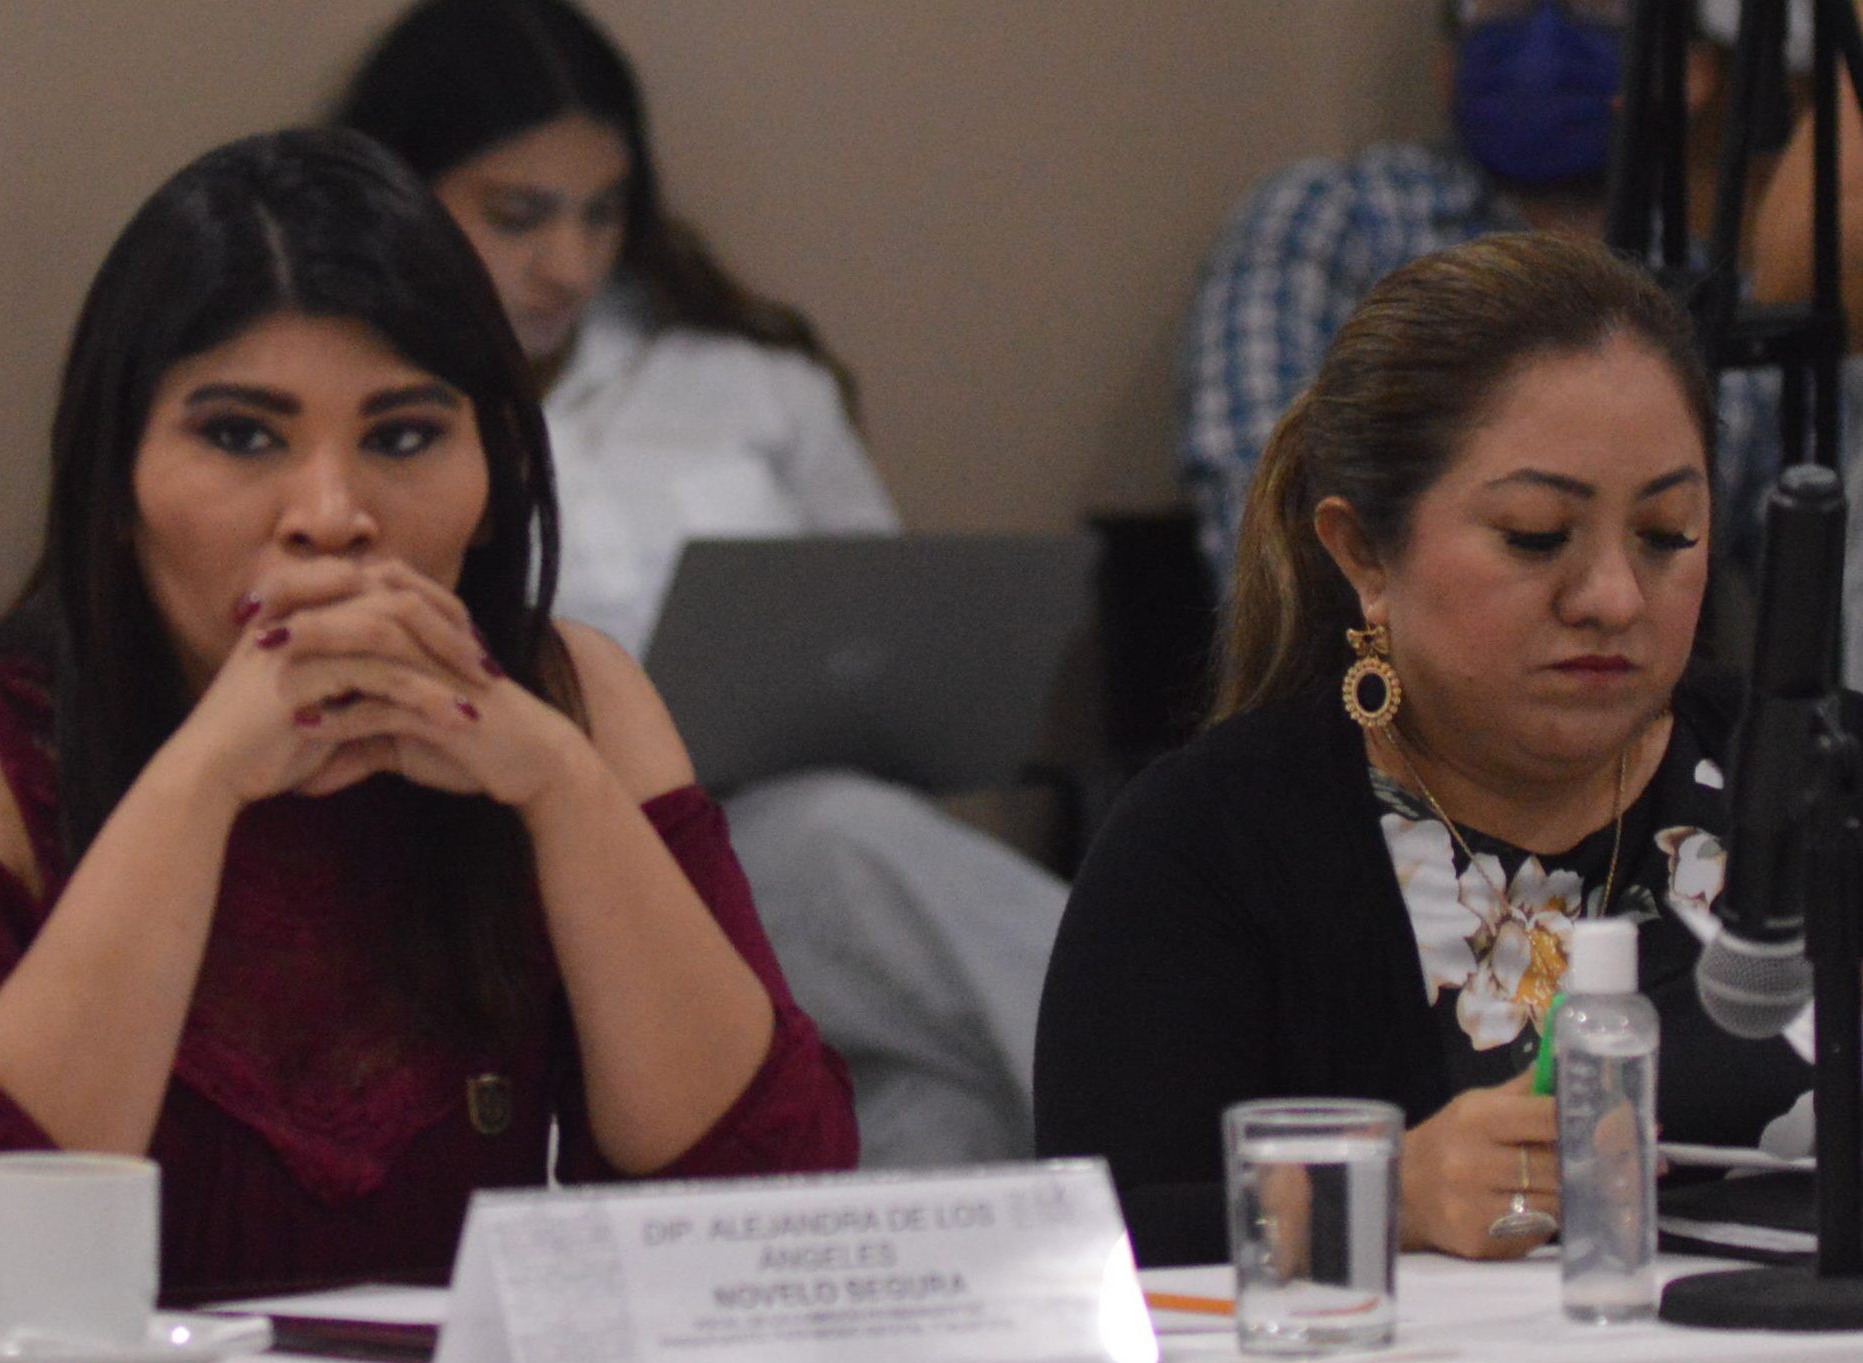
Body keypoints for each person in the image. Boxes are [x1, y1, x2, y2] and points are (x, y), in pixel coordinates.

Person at [0, 128, 857, 1322]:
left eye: (403, 437)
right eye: (241, 435)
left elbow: (773, 1227)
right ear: (115, 480)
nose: (331, 515)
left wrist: (562, 790)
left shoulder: (577, 704)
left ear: (498, 474)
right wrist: (201, 781)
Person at [337, 0, 1066, 1169]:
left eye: (602, 213)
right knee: (841, 839)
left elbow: (883, 617)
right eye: (517, 216)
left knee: (945, 1108)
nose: (569, 263)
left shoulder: (745, 381)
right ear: (404, 193)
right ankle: (1212, 1095)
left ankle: (1155, 1157)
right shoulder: (369, 410)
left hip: (797, 835)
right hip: (536, 860)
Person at [1037, 232, 1817, 1267]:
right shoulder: (1209, 843)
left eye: (1667, 533)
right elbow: (1079, 1244)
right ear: (1364, 551)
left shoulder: (1821, 785)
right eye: (1536, 534)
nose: (1615, 598)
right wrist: (1384, 1194)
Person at [1176, 0, 1850, 593]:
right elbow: (1269, 533)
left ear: (1692, 74)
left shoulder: (1712, 295)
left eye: (1596, 6)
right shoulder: (1334, 222)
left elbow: (1818, 563)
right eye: (1502, 6)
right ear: (1447, 59)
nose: (1544, 37)